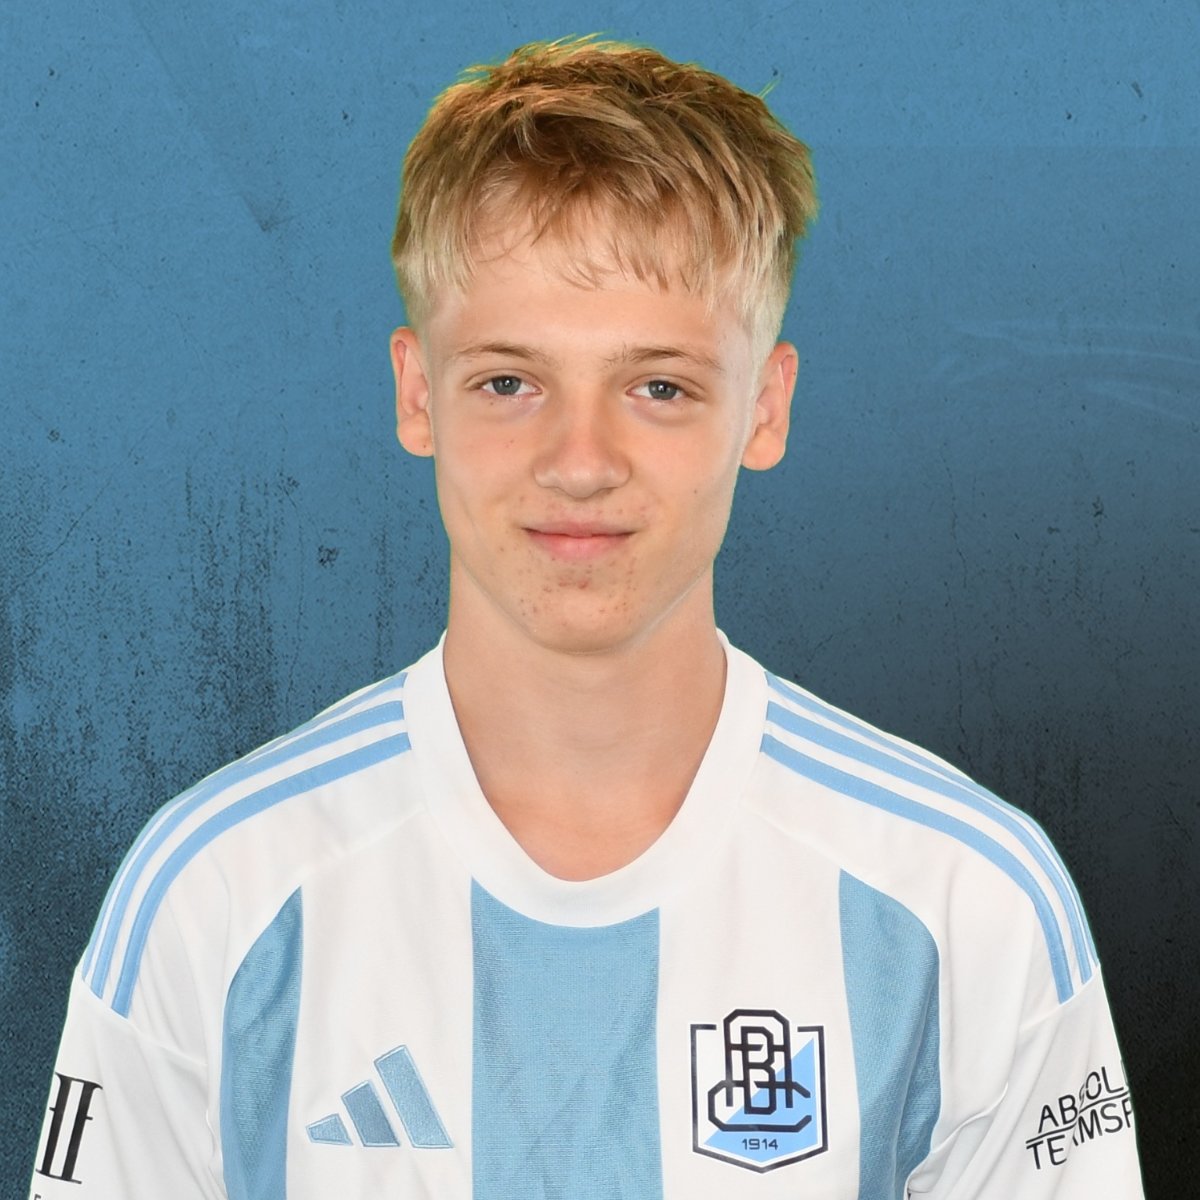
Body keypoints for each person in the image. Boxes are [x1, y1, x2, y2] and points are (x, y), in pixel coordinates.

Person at [31, 36, 1144, 1200]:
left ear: (764, 410)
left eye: (658, 386)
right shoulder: (214, 895)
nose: (579, 461)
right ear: (417, 394)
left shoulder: (967, 899)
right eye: (509, 382)